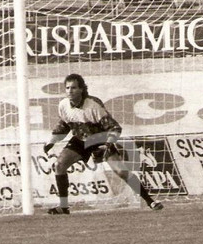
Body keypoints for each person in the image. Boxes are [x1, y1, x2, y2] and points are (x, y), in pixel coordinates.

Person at [43, 73, 163, 214]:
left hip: (100, 139)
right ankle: (63, 207)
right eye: (67, 88)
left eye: (74, 88)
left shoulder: (93, 105)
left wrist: (108, 144)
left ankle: (150, 201)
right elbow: (64, 125)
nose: (70, 91)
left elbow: (115, 128)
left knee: (122, 171)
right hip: (81, 139)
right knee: (59, 165)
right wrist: (51, 141)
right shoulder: (63, 105)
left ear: (82, 89)